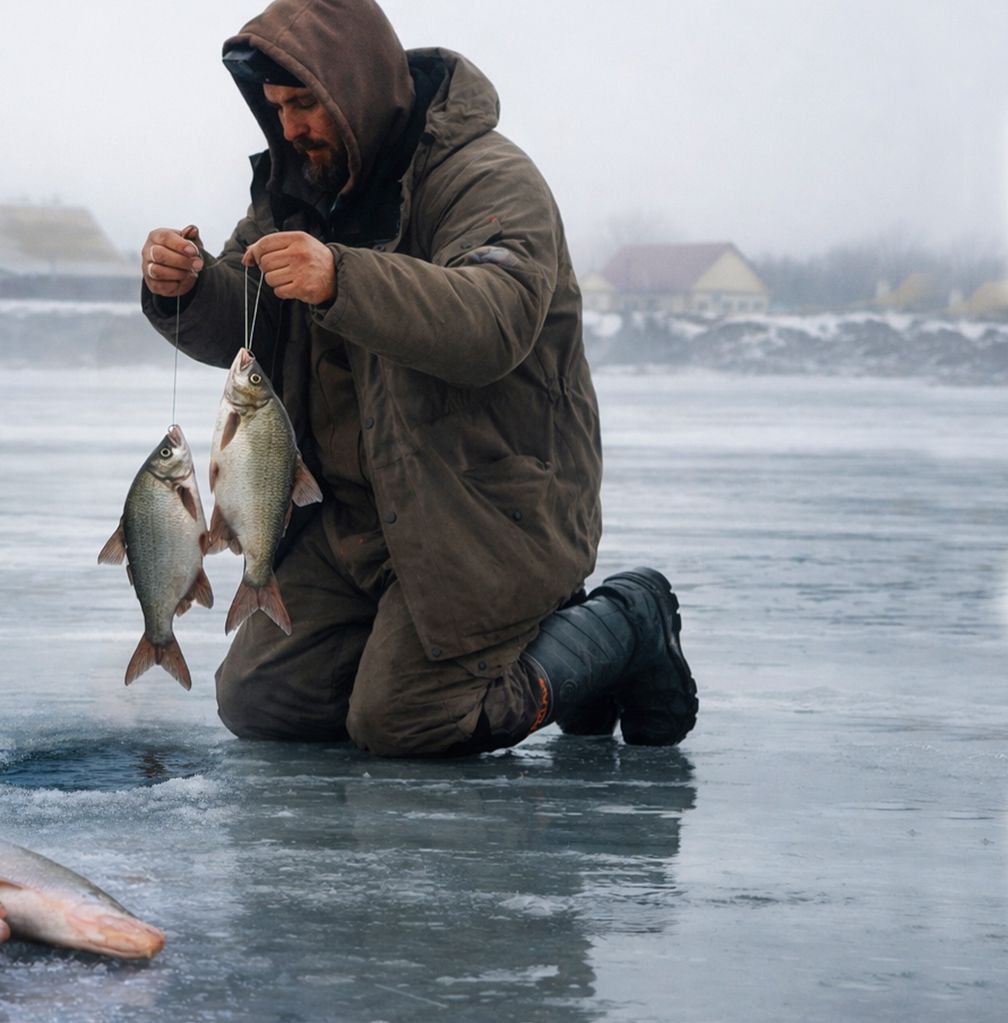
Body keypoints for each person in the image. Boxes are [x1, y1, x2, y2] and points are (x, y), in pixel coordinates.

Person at [140, 0, 697, 756]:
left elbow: (493, 319)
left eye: (306, 104)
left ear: (358, 88)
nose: (292, 127)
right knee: (260, 701)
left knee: (403, 723)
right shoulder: (298, 188)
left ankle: (626, 623)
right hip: (353, 525)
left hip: (486, 518)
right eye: (277, 109)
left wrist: (341, 278)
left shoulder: (489, 178)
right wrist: (185, 287)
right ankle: (419, 650)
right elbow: (247, 316)